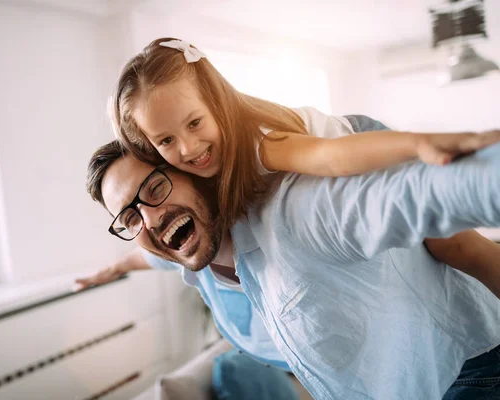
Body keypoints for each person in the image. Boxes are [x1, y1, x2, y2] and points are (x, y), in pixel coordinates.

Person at [75, 116, 500, 374]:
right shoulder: (186, 260)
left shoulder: (291, 215)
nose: (149, 218)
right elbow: (146, 256)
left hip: (466, 363)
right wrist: (113, 270)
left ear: (192, 172)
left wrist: (478, 177)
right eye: (130, 217)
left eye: (154, 188)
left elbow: (411, 201)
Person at [109, 37, 500, 298]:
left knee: (458, 246)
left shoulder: (257, 142)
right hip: (335, 158)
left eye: (195, 123)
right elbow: (157, 253)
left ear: (217, 102)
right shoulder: (186, 180)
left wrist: (418, 143)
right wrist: (116, 266)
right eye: (166, 141)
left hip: (354, 144)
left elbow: (330, 156)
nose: (189, 148)